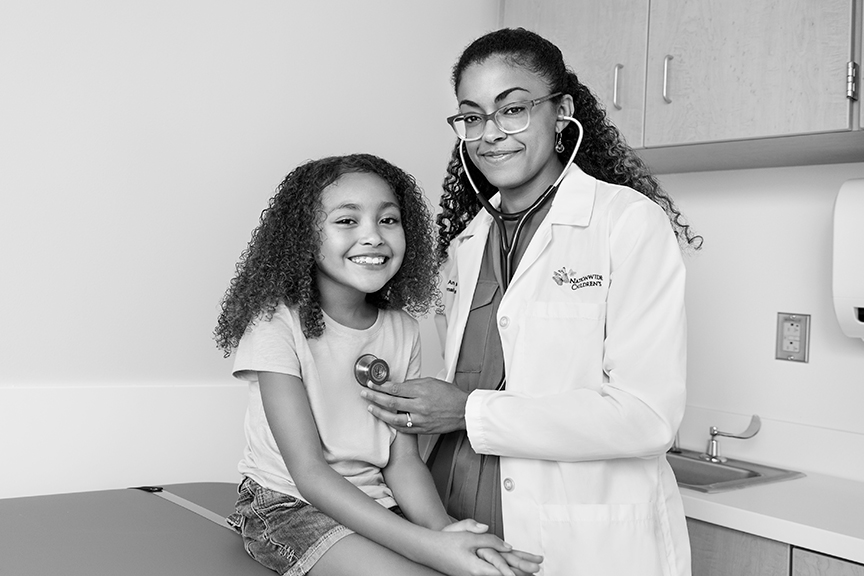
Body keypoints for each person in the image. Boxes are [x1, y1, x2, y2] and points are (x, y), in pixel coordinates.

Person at [361, 29, 702, 575]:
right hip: (457, 524)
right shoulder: (465, 246)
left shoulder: (626, 223)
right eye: (472, 117)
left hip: (575, 539)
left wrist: (466, 410)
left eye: (513, 109)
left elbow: (648, 415)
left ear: (562, 111)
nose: (490, 134)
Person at [213, 154, 543, 576]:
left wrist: (446, 531)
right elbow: (309, 472)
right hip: (288, 505)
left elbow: (401, 460)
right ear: (303, 237)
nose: (373, 236)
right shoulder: (274, 324)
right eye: (347, 221)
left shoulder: (401, 329)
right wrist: (429, 548)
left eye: (388, 220)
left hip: (375, 501)